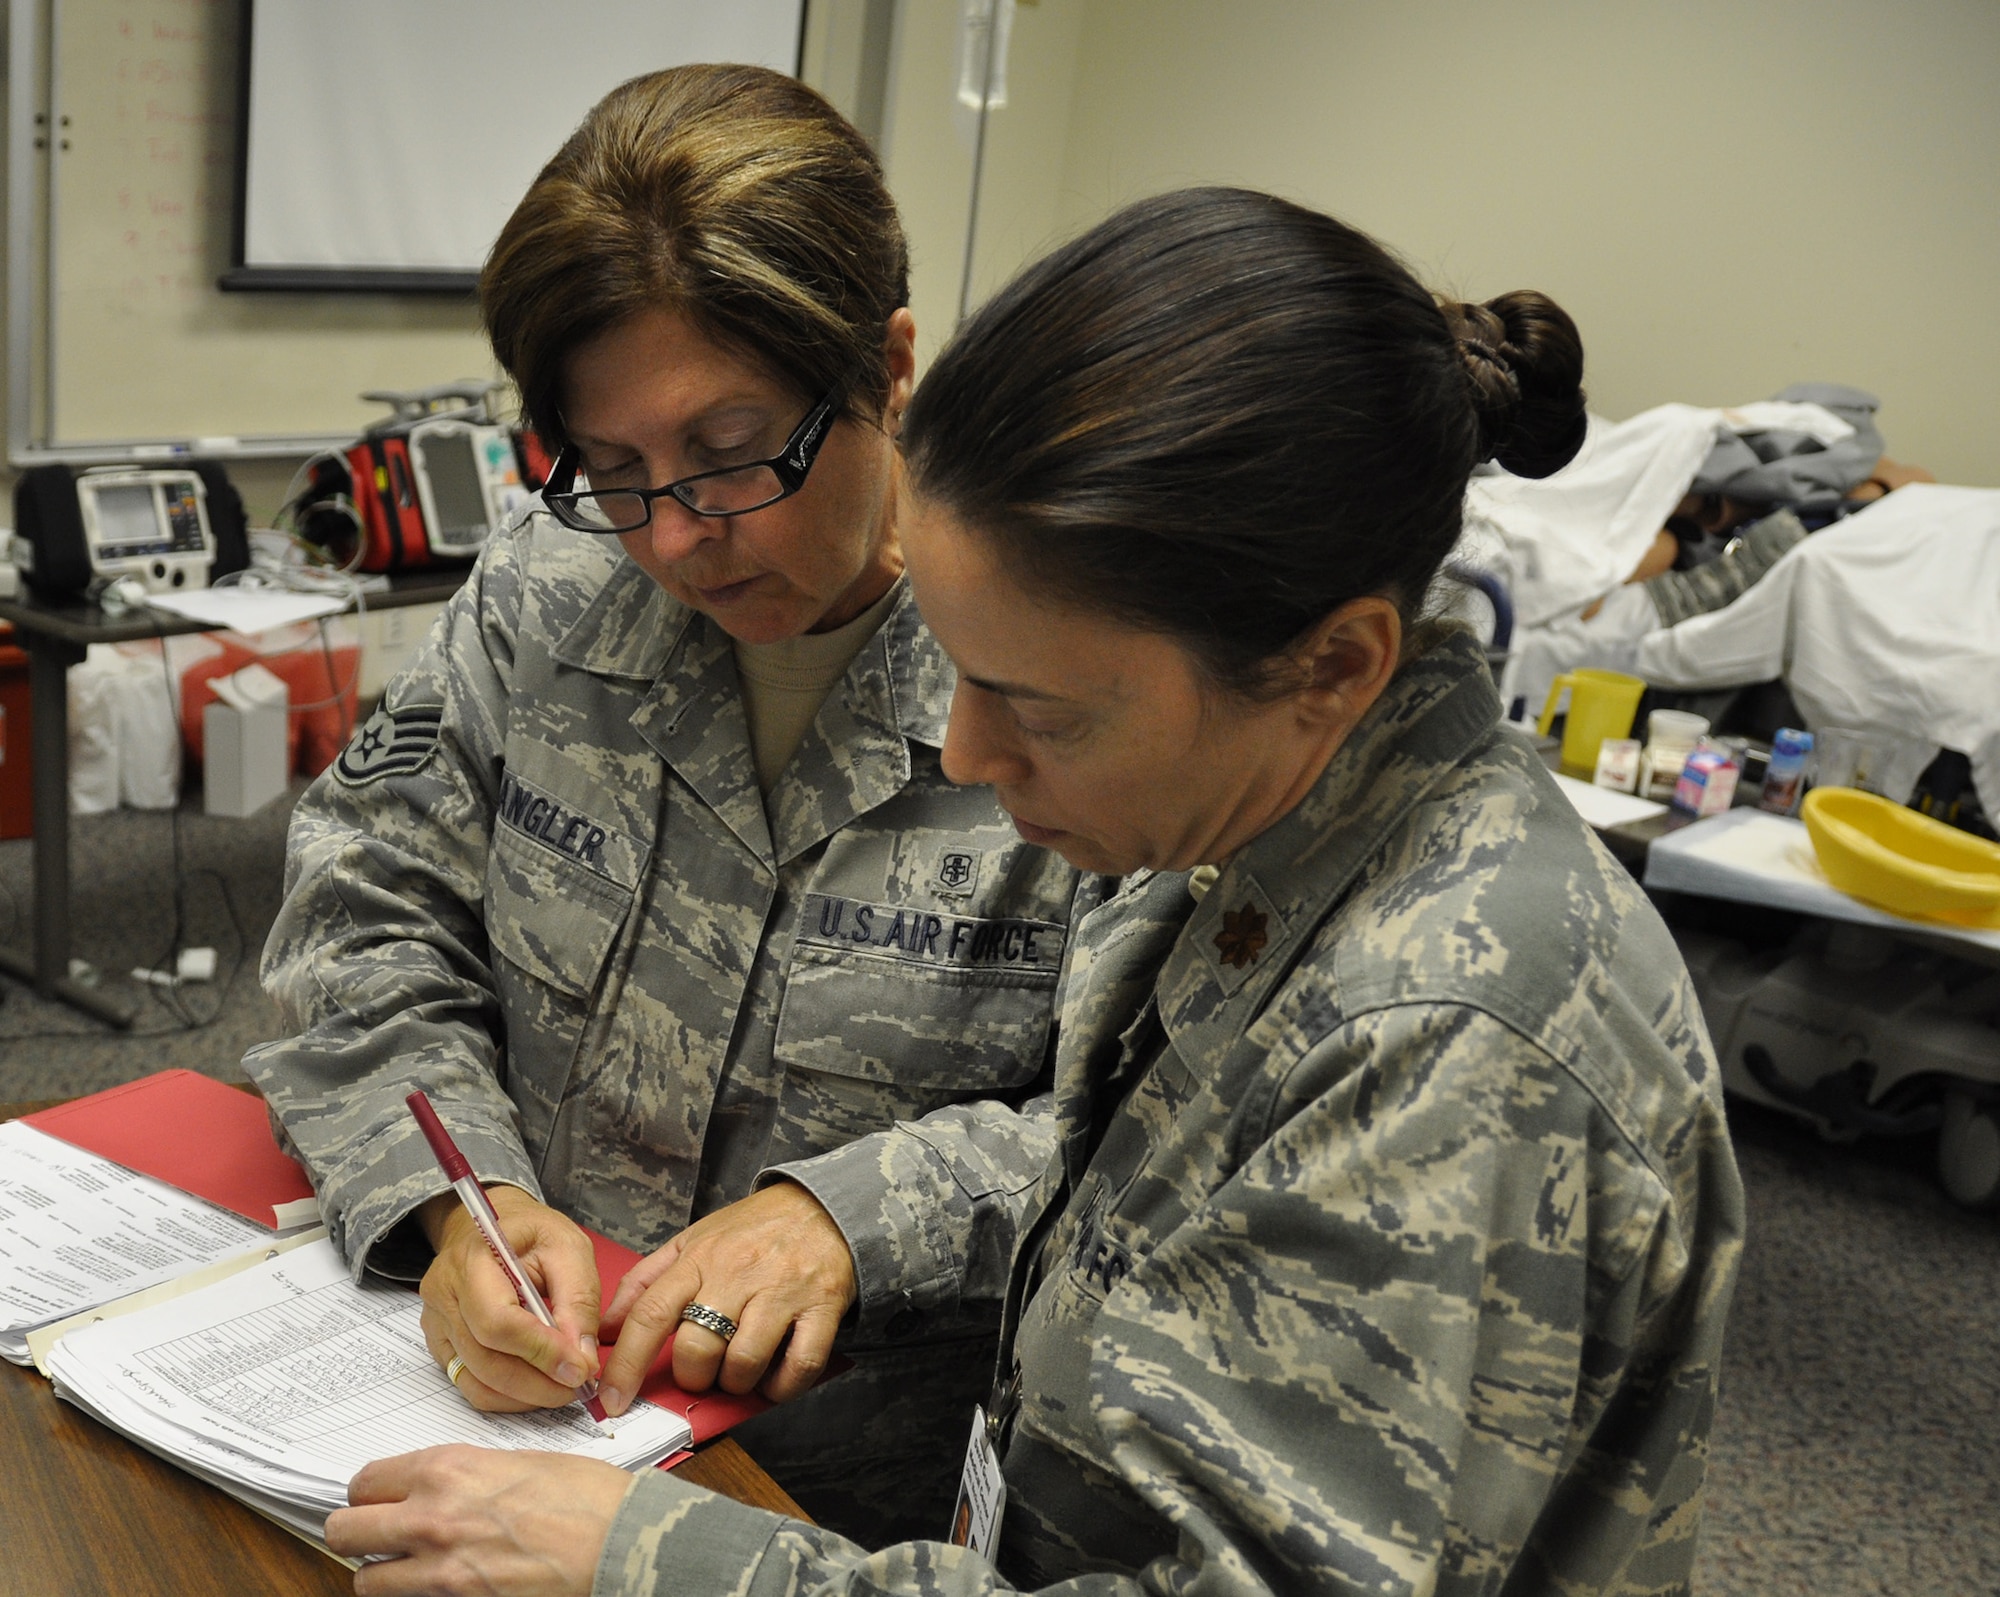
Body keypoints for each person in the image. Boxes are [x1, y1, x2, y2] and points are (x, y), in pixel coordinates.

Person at [325, 188, 1745, 1595]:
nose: (961, 752)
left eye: (1033, 704)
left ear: (1333, 666)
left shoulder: (1444, 1042)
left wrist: (647, 1561)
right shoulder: (1236, 830)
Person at [245, 63, 1094, 1543]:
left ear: (889, 366)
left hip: (858, 1519)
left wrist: (854, 1209)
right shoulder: (543, 587)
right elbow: (363, 902)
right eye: (616, 470)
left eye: (729, 452)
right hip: (507, 1432)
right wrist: (466, 1201)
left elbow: (1156, 1118)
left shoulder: (1062, 656)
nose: (681, 537)